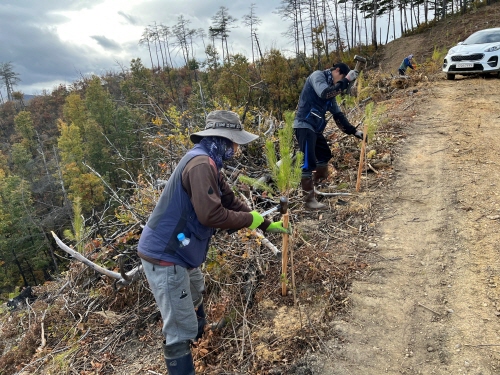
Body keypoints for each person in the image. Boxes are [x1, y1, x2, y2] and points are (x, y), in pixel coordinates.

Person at [137, 110, 289, 375]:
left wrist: (264, 223)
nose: (237, 148)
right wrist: (248, 220)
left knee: (195, 289)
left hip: (182, 252)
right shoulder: (200, 165)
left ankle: (200, 338)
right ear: (222, 139)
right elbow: (211, 214)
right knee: (177, 327)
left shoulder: (210, 162)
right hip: (166, 255)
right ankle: (184, 352)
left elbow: (230, 201)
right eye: (234, 142)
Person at [293, 62, 364, 210]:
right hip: (304, 124)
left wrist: (354, 132)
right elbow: (324, 93)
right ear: (337, 71)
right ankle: (308, 202)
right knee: (308, 162)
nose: (340, 82)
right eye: (342, 77)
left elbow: (338, 116)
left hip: (315, 128)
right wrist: (347, 80)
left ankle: (315, 186)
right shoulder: (317, 76)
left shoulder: (331, 94)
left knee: (324, 154)